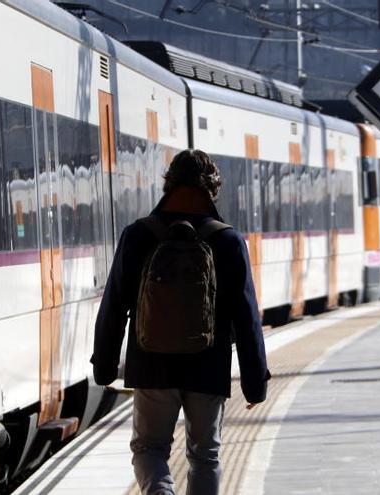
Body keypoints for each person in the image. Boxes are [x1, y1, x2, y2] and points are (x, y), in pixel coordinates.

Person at [90, 149, 270, 495]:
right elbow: (247, 316)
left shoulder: (138, 235)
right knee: (205, 456)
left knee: (149, 450)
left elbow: (113, 305)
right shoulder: (228, 240)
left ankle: (160, 491)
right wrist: (255, 382)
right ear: (212, 190)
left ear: (168, 185)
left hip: (151, 363)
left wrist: (105, 367)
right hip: (208, 367)